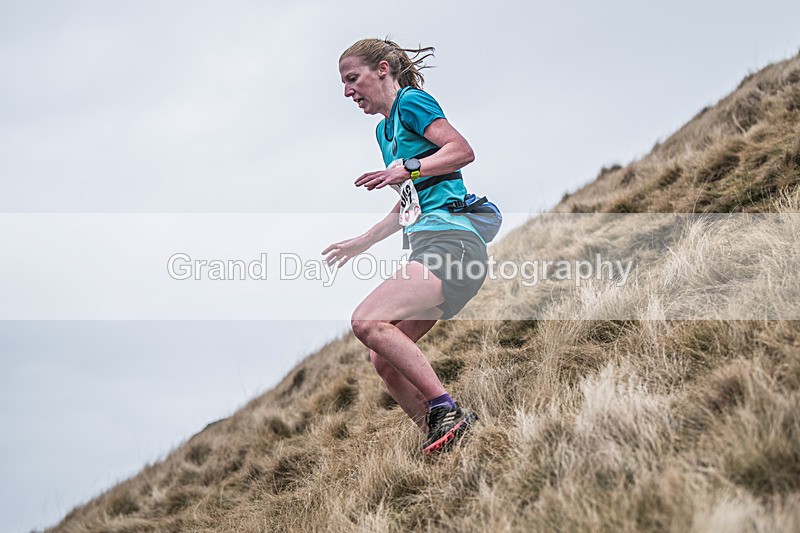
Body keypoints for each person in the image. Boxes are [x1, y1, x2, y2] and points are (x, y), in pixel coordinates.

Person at [322, 38, 489, 455]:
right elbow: (409, 201)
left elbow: (461, 151)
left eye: (352, 79)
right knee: (384, 358)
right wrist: (361, 243)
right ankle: (447, 438)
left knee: (366, 321)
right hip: (431, 245)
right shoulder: (385, 131)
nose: (348, 92)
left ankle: (447, 410)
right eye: (344, 84)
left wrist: (409, 166)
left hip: (453, 243)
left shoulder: (412, 102)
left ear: (382, 69)